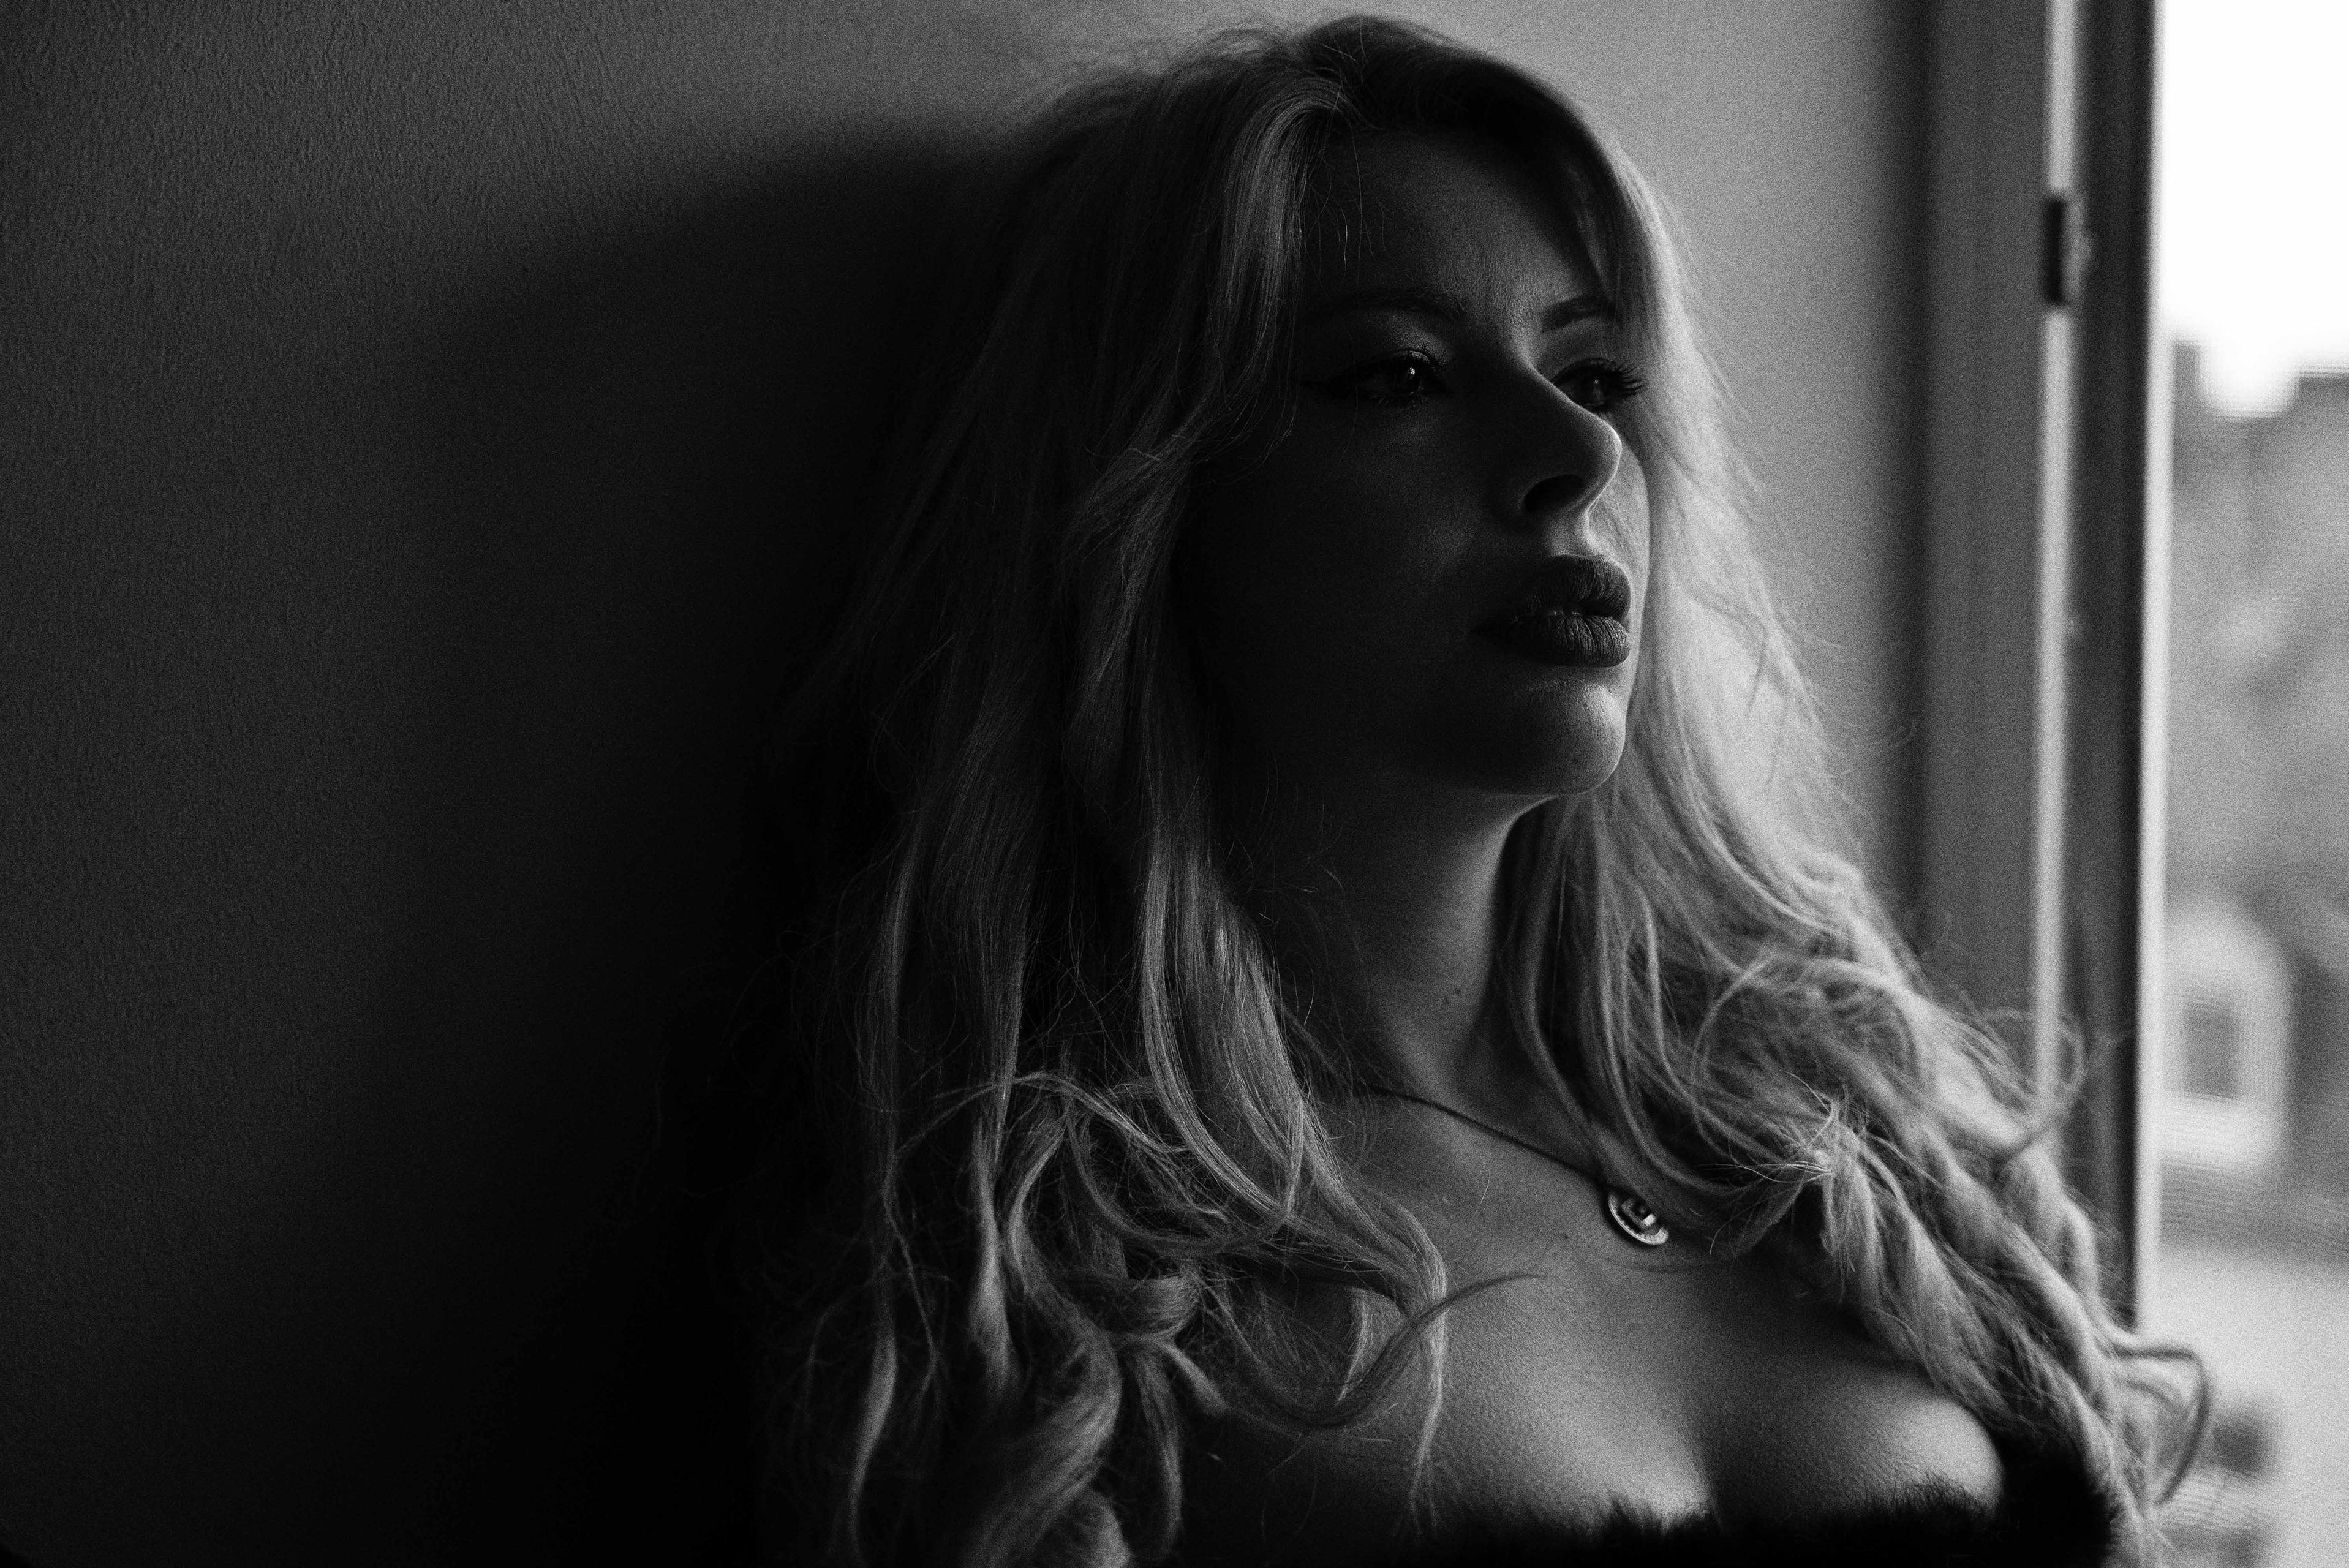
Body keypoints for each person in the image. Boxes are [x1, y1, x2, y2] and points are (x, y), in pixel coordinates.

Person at [742, 16, 2202, 1566]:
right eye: (1403, 374)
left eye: (1597, 373)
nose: (1578, 449)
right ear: (1145, 509)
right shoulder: (1037, 1273)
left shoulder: (1844, 1137)